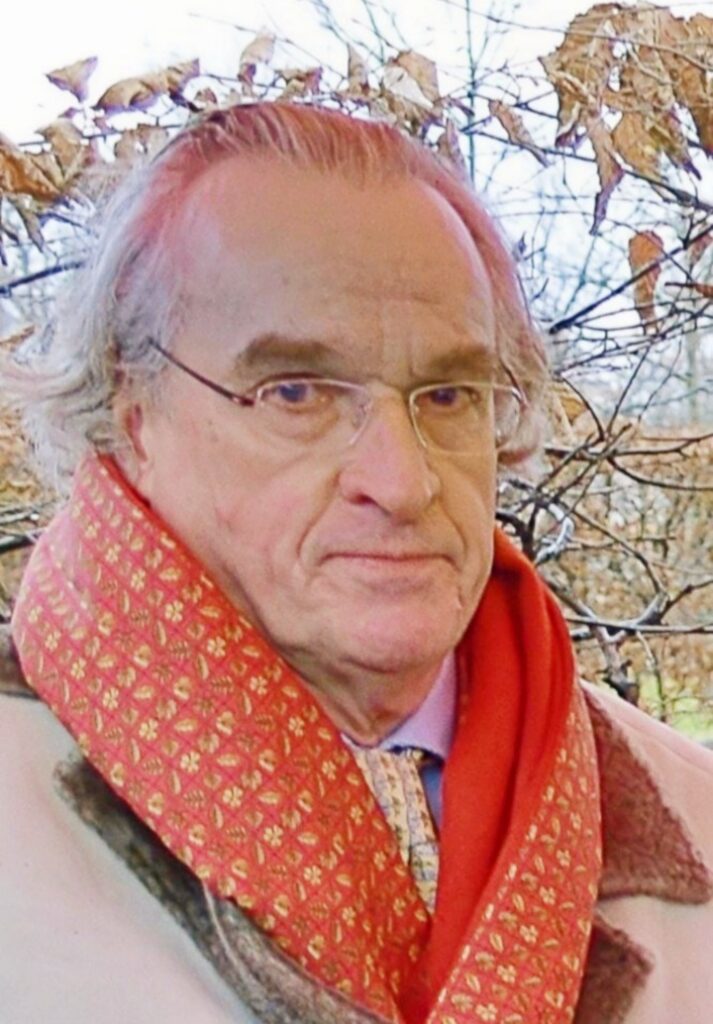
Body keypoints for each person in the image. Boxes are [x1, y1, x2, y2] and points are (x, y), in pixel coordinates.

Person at [1, 102, 712, 1024]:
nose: (402, 481)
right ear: (133, 416)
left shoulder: (690, 816)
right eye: (297, 391)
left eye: (448, 394)